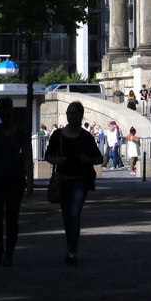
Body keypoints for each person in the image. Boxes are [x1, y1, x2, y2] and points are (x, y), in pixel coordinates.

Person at [48, 100, 103, 265]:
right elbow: (48, 155)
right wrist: (58, 160)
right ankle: (70, 246)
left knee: (74, 213)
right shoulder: (58, 135)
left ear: (80, 115)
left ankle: (72, 250)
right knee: (66, 215)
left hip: (80, 179)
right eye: (69, 113)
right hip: (64, 178)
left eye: (74, 113)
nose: (71, 116)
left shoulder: (85, 137)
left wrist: (87, 159)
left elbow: (99, 158)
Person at [0, 97, 32, 266]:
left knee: (12, 216)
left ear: (12, 112)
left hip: (15, 179)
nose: (6, 116)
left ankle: (9, 251)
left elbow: (27, 158)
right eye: (2, 112)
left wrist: (30, 181)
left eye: (8, 112)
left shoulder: (21, 134)